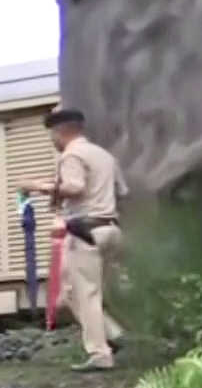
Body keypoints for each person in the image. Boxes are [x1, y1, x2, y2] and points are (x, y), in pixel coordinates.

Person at [21, 109, 127, 371]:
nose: (52, 141)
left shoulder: (72, 155)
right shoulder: (105, 156)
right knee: (70, 293)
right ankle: (113, 335)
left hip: (85, 232)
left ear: (62, 132)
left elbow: (75, 187)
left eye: (52, 135)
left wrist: (37, 187)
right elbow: (122, 192)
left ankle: (100, 353)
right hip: (110, 230)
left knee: (86, 294)